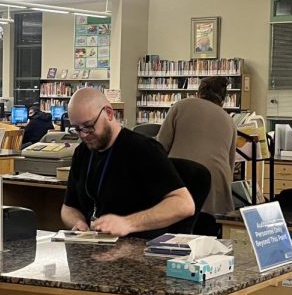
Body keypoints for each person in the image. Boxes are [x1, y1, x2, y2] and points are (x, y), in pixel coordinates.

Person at [60, 88, 195, 238]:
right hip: (96, 243)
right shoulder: (82, 152)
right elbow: (68, 207)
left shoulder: (143, 149)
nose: (84, 135)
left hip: (138, 247)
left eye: (89, 126)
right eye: (77, 129)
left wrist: (128, 223)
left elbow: (184, 204)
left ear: (109, 113)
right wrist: (77, 222)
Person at [155, 76, 237, 214]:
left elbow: (161, 145)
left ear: (199, 92)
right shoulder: (229, 121)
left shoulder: (181, 106)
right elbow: (230, 164)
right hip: (216, 186)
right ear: (223, 99)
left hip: (183, 177)